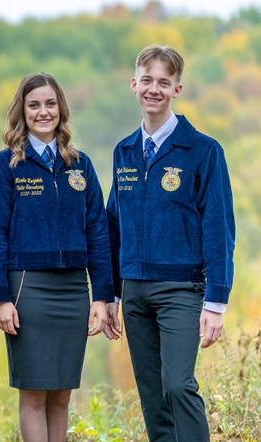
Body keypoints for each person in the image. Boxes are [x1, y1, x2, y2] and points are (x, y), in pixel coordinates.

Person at [105, 45, 235, 441]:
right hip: (134, 291)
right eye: (147, 81)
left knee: (177, 384)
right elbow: (113, 225)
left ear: (177, 88)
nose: (154, 90)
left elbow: (219, 228)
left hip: (182, 289)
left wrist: (215, 303)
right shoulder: (124, 152)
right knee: (153, 396)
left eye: (164, 82)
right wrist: (109, 294)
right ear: (134, 84)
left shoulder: (204, 151)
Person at [0, 72, 111, 442]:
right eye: (34, 105)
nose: (43, 112)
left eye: (50, 104)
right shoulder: (5, 166)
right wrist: (0, 298)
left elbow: (98, 231)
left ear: (61, 109)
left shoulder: (80, 165)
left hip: (74, 291)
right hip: (28, 291)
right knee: (35, 392)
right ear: (22, 112)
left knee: (62, 394)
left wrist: (101, 295)